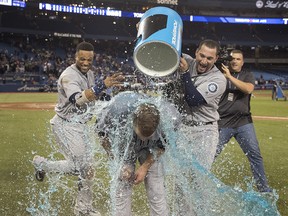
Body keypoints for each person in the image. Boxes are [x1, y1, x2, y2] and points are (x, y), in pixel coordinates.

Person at [32, 41, 124, 216]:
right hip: (66, 125)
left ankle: (83, 209)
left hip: (79, 126)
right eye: (82, 59)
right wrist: (102, 85)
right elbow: (78, 100)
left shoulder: (89, 74)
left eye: (89, 59)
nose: (86, 62)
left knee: (88, 170)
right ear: (75, 57)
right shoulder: (69, 75)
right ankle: (41, 164)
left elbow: (94, 98)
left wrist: (112, 92)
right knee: (79, 168)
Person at [162, 39, 227, 215]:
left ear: (216, 59)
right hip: (183, 129)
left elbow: (193, 100)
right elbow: (166, 47)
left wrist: (184, 74)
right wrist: (148, 33)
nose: (204, 61)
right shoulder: (188, 61)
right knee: (180, 178)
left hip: (204, 131)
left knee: (199, 180)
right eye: (202, 55)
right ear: (196, 52)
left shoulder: (218, 79)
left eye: (210, 58)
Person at [95, 91, 181, 216]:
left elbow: (163, 146)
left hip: (153, 147)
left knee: (156, 187)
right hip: (125, 143)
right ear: (133, 122)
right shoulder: (117, 110)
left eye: (148, 137)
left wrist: (145, 167)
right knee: (122, 184)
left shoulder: (171, 118)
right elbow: (102, 135)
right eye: (141, 135)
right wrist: (118, 163)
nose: (143, 140)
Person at [214, 49, 272, 193]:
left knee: (255, 155)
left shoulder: (247, 75)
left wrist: (229, 77)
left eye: (238, 59)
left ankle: (263, 189)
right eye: (232, 58)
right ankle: (195, 181)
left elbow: (248, 89)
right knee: (210, 154)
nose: (234, 61)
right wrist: (224, 74)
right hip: (223, 122)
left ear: (242, 62)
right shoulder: (219, 74)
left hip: (243, 122)